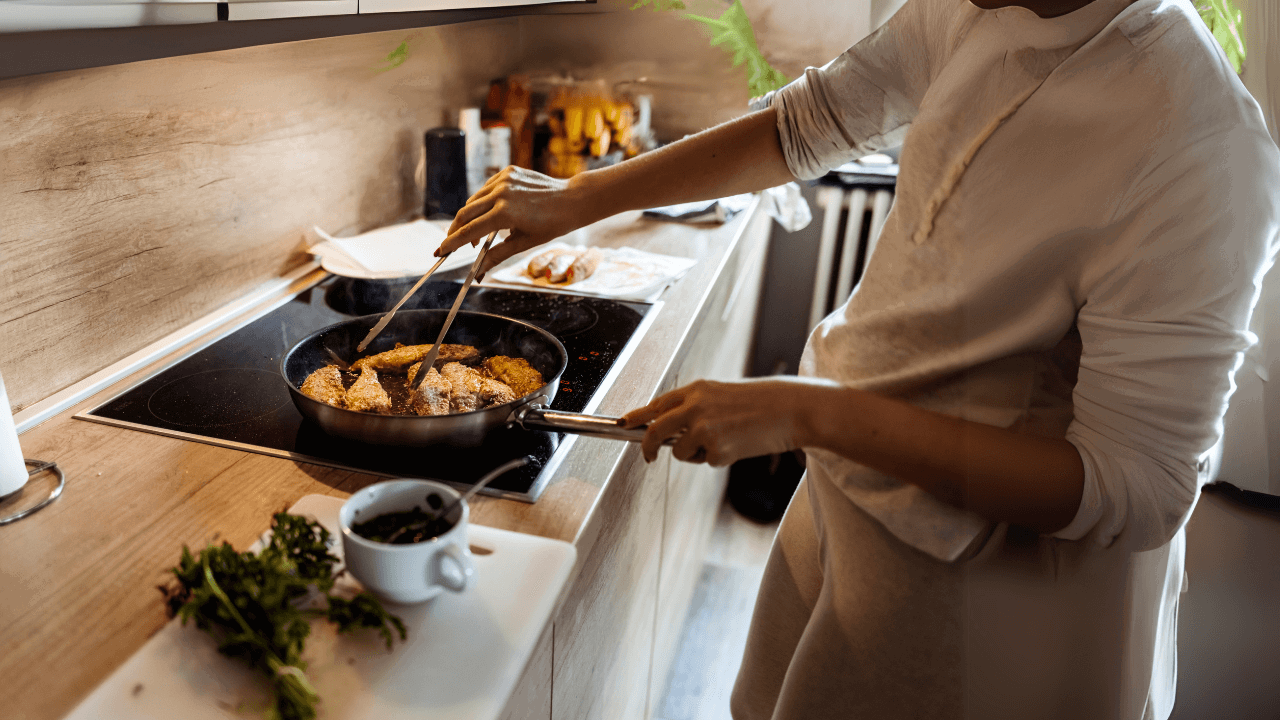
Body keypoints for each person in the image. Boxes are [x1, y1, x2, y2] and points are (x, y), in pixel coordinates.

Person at [439, 0, 1279, 716]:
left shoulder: (1201, 142)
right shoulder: (971, 10)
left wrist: (810, 411)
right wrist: (581, 197)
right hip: (846, 489)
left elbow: (1136, 490)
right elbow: (806, 123)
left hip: (993, 601)